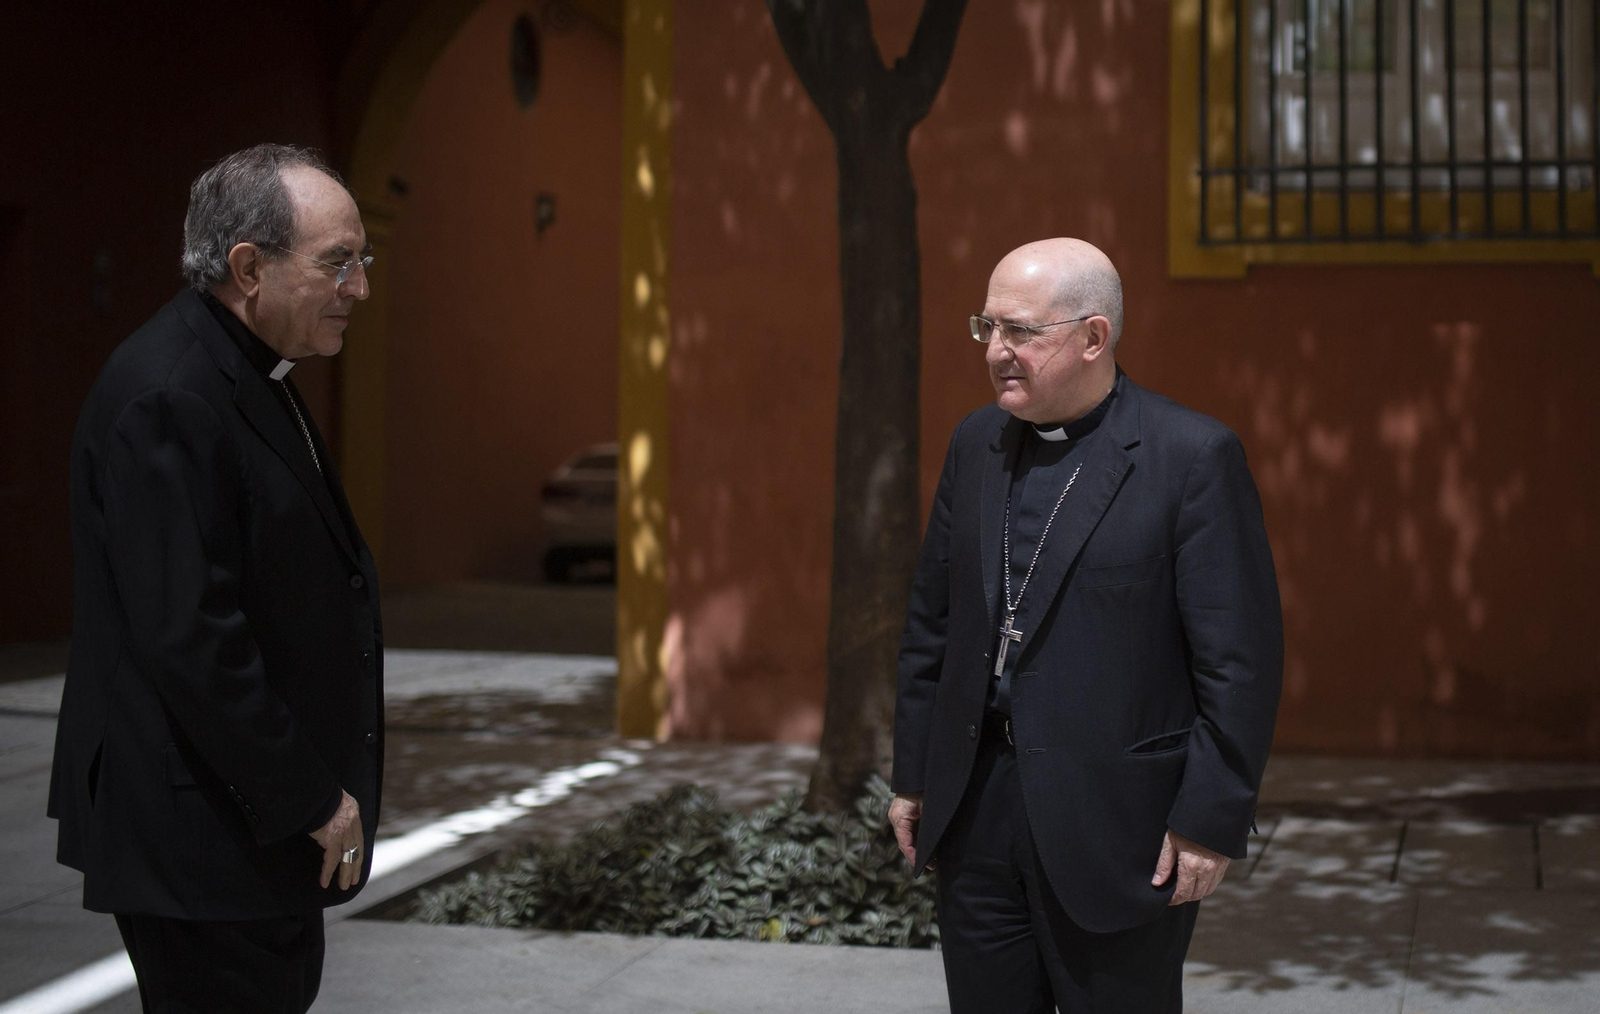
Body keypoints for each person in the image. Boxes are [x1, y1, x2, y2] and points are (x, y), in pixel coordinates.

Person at [888, 238, 1282, 1013]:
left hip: (1119, 820)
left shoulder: (1191, 456)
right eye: (987, 327)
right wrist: (913, 774)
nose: (997, 350)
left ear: (1093, 336)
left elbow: (1239, 663)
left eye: (1021, 332)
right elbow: (933, 623)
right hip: (976, 807)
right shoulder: (977, 445)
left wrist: (1209, 819)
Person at [48, 143, 384, 1014]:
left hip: (241, 832)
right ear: (248, 266)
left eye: (363, 260)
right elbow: (191, 639)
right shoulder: (172, 394)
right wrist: (313, 797)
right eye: (336, 263)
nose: (360, 289)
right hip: (204, 835)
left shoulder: (245, 366)